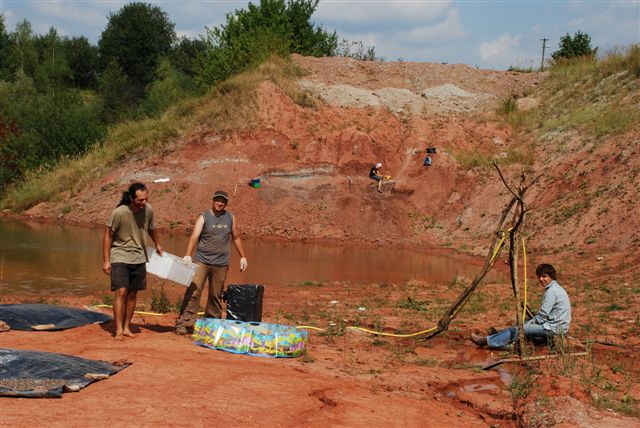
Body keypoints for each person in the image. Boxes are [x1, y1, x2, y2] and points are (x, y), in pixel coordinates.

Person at [175, 190, 248, 335]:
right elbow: (194, 237)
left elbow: (236, 237)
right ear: (213, 200)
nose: (220, 203)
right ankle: (184, 323)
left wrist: (243, 256)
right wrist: (187, 255)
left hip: (221, 264)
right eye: (218, 200)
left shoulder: (231, 217)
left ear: (226, 203)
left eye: (223, 201)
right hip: (202, 261)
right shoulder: (204, 217)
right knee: (194, 292)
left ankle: (211, 324)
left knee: (216, 295)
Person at [102, 182, 163, 340]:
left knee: (132, 294)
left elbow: (151, 228)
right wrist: (106, 261)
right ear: (131, 198)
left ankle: (127, 327)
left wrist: (157, 244)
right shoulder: (119, 213)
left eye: (146, 199)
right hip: (120, 255)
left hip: (139, 256)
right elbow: (108, 235)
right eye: (140, 200)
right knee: (121, 291)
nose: (144, 203)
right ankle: (119, 329)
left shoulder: (148, 210)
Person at [470, 263, 571, 348]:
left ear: (551, 277)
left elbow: (541, 317)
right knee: (524, 324)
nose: (541, 279)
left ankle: (486, 341)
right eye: (539, 276)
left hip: (553, 329)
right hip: (557, 326)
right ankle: (500, 337)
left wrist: (525, 326)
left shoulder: (552, 291)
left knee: (519, 329)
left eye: (544, 276)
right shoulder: (556, 288)